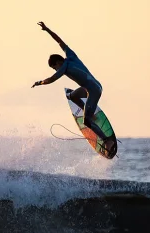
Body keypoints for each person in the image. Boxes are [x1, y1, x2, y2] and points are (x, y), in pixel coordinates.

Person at [31, 21, 114, 151]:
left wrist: (39, 82)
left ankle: (107, 140)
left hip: (93, 91)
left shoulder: (63, 68)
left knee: (86, 122)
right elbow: (59, 41)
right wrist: (47, 30)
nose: (55, 70)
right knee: (72, 96)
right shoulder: (71, 55)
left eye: (54, 67)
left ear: (58, 62)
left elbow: (51, 79)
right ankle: (90, 113)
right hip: (93, 86)